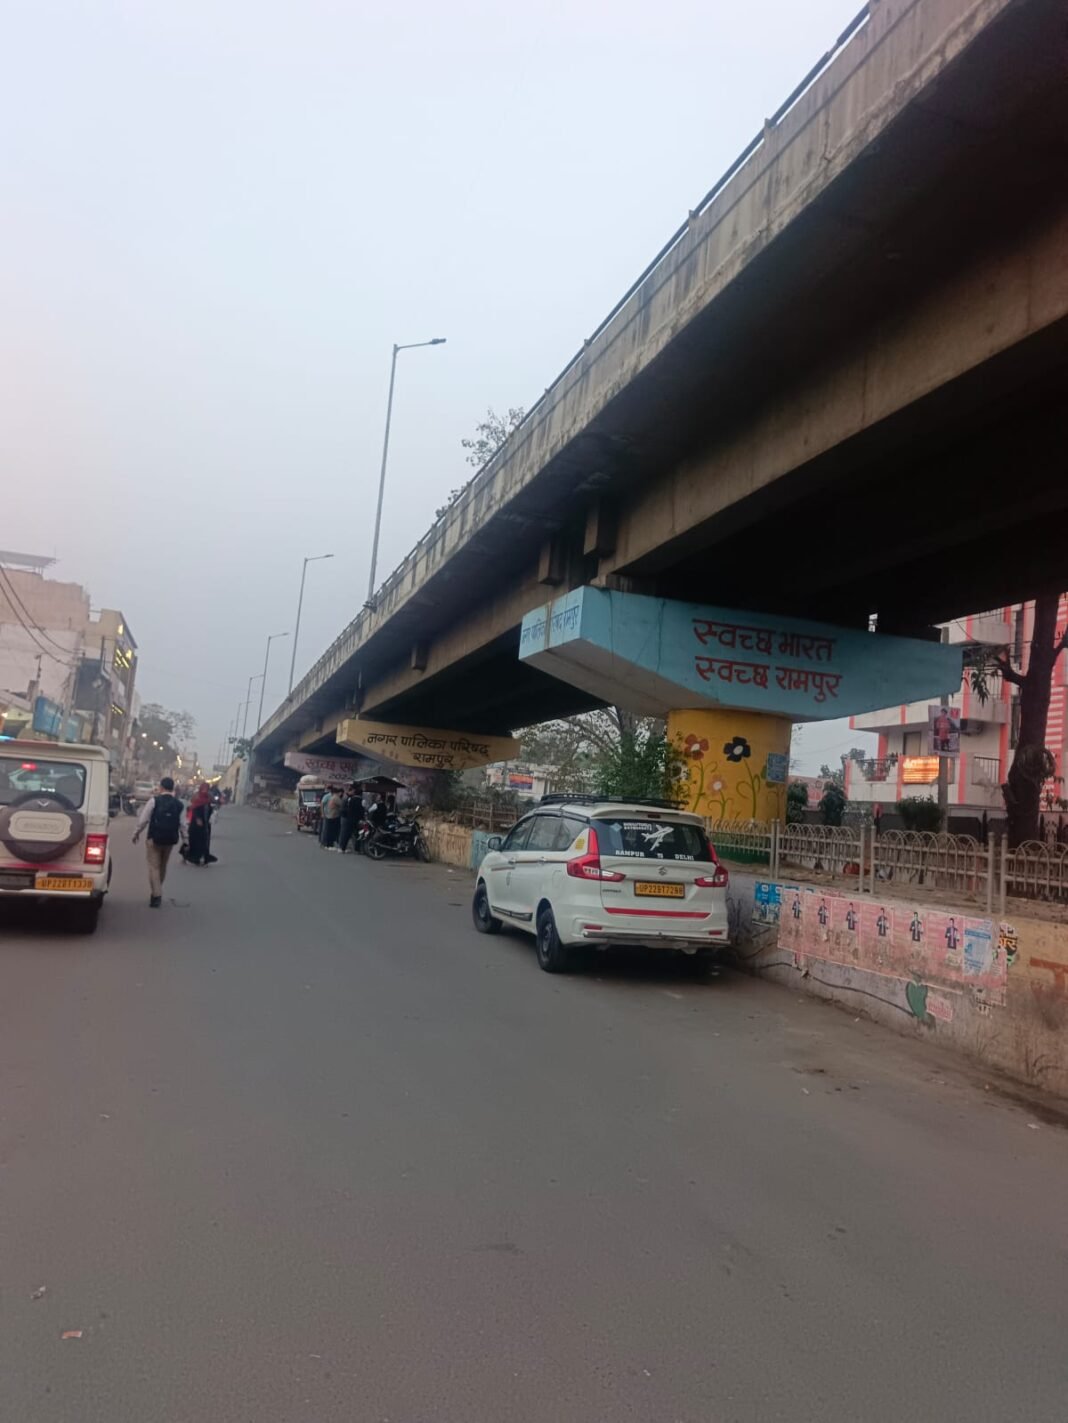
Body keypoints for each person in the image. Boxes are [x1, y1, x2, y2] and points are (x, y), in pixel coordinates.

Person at [133, 775, 186, 907]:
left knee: (154, 867)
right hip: (170, 840)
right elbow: (183, 824)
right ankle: (156, 892)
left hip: (154, 838)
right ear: (173, 788)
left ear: (161, 787)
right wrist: (186, 840)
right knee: (162, 866)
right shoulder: (179, 804)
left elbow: (144, 819)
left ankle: (157, 895)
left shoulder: (154, 801)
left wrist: (136, 833)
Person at [186, 781, 218, 865]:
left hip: (206, 823)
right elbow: (193, 807)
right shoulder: (196, 796)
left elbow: (214, 804)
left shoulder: (209, 796)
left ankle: (205, 857)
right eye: (203, 788)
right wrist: (197, 818)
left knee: (205, 840)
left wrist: (213, 811)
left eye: (206, 788)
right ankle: (194, 857)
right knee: (195, 840)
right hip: (196, 823)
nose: (205, 790)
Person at [338, 784, 362, 854]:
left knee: (346, 833)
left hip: (348, 818)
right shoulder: (359, 800)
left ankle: (342, 848)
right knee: (356, 834)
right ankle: (357, 849)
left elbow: (347, 809)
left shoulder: (349, 799)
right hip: (354, 819)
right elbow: (362, 810)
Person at [321, 785, 343, 850]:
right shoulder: (336, 798)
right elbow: (342, 805)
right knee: (331, 831)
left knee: (328, 831)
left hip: (329, 815)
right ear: (339, 792)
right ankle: (329, 845)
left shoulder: (332, 797)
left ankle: (327, 844)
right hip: (333, 816)